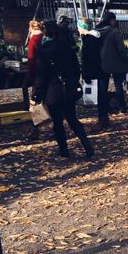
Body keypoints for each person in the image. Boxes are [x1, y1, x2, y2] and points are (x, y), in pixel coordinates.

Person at [32, 20, 93, 158]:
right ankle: (87, 146)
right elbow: (77, 69)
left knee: (57, 122)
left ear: (46, 32)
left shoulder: (44, 49)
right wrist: (73, 81)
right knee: (72, 118)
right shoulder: (67, 47)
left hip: (52, 90)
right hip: (69, 88)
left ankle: (64, 150)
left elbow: (41, 75)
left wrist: (36, 94)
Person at [77, 18, 108, 129]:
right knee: (102, 96)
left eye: (79, 26)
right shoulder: (97, 37)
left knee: (98, 97)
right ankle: (104, 119)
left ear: (82, 27)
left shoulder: (87, 39)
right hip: (102, 69)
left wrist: (86, 75)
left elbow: (88, 59)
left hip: (94, 71)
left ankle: (101, 121)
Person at [96, 12, 128, 114]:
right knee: (118, 85)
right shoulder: (115, 31)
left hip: (101, 63)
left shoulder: (96, 31)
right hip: (116, 62)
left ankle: (104, 109)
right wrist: (126, 58)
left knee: (102, 87)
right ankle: (122, 107)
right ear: (112, 20)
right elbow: (121, 48)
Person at [26, 20, 44, 87]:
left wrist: (31, 74)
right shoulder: (43, 37)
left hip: (38, 69)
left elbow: (31, 57)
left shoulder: (33, 39)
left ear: (31, 28)